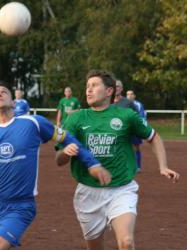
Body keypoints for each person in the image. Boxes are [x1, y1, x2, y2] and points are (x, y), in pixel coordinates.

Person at [0, 81, 112, 250]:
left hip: (21, 205)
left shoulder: (33, 123)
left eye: (4, 91)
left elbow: (67, 138)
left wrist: (92, 163)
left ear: (13, 102)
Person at [55, 69, 180, 250]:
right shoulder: (75, 118)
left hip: (121, 189)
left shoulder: (126, 116)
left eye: (94, 85)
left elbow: (154, 137)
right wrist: (66, 152)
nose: (88, 90)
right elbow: (59, 160)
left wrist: (163, 166)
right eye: (87, 86)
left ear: (109, 91)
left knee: (126, 242)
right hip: (88, 194)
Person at [126, 90, 147, 172]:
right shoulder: (124, 103)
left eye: (131, 94)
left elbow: (142, 116)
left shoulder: (138, 105)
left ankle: (138, 166)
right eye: (127, 94)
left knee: (136, 148)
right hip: (126, 129)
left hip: (134, 129)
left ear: (134, 96)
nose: (129, 96)